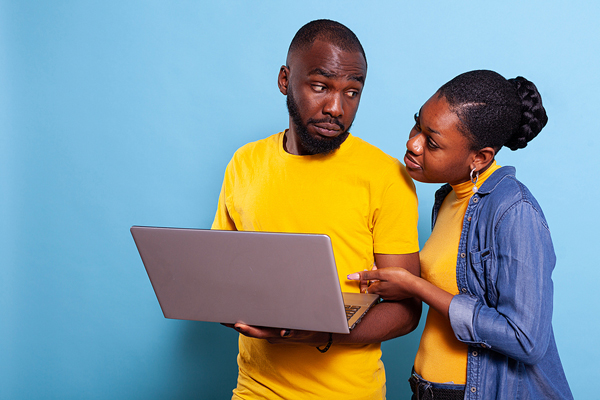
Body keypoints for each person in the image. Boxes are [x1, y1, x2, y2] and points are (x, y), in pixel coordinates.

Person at [211, 19, 421, 399]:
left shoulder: (386, 177)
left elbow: (406, 310)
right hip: (253, 389)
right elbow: (220, 277)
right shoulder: (244, 163)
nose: (336, 108)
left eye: (352, 92)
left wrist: (316, 333)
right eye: (320, 86)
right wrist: (227, 307)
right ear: (284, 81)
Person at [349, 70, 573, 399]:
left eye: (432, 142)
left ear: (479, 157)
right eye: (417, 124)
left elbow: (526, 339)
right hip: (426, 390)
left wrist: (415, 286)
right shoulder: (449, 198)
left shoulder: (514, 211)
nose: (413, 143)